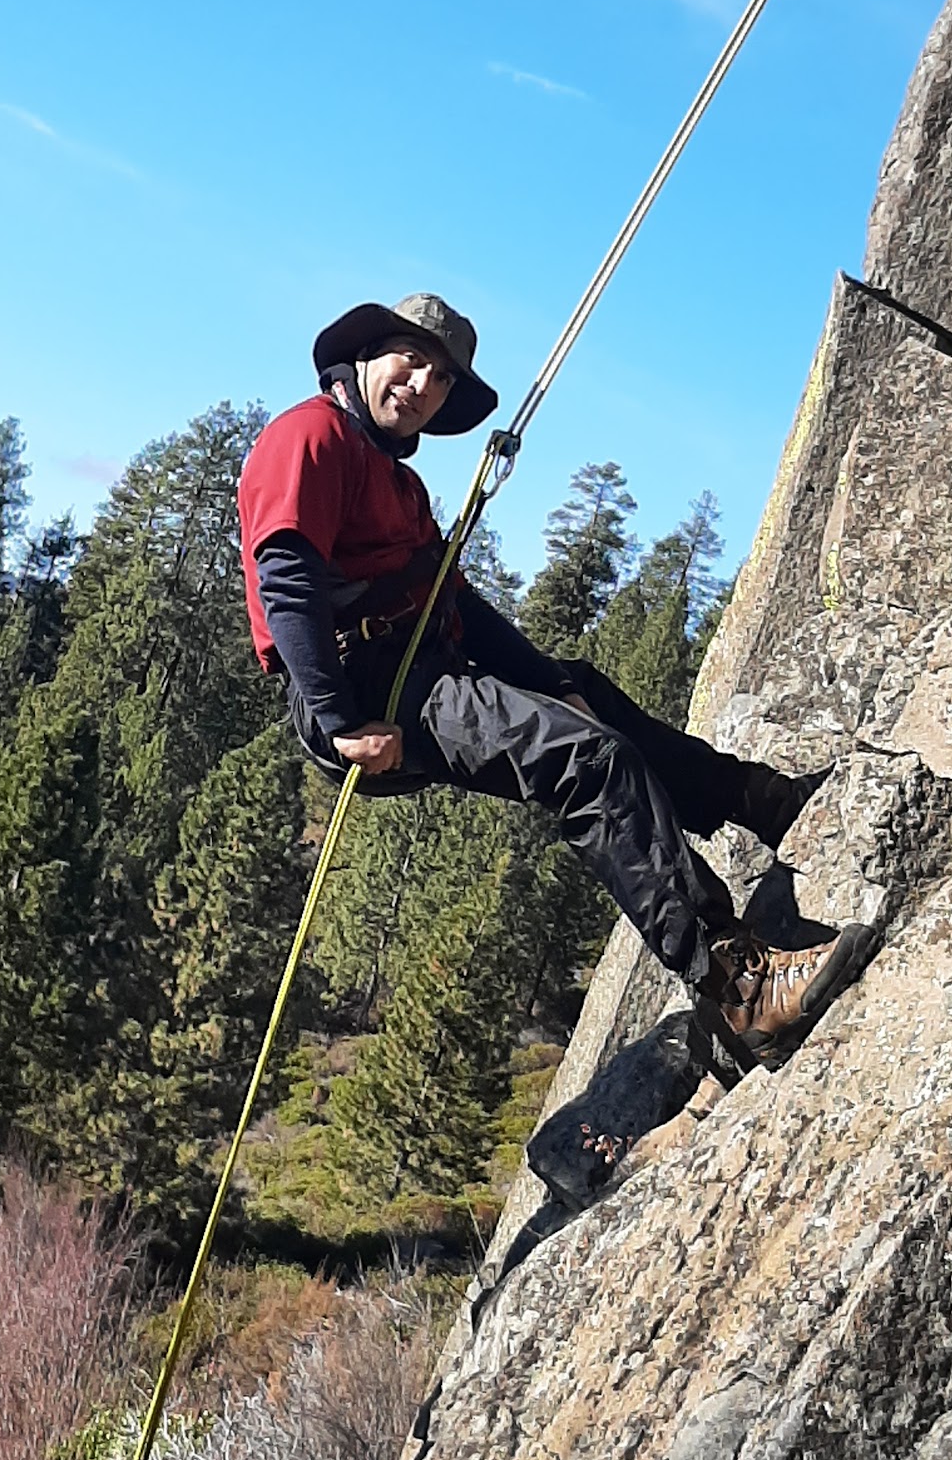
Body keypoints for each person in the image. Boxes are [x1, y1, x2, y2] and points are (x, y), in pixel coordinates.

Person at [236, 292, 874, 1071]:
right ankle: (740, 989)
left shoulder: (395, 483)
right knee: (585, 760)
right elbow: (287, 575)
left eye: (441, 377)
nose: (422, 384)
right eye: (412, 359)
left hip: (416, 664)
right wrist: (341, 721)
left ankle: (764, 802)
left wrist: (547, 680)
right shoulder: (311, 435)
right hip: (363, 687)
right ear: (366, 354)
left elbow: (454, 601)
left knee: (586, 697)